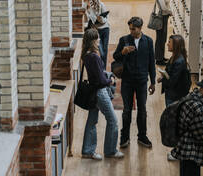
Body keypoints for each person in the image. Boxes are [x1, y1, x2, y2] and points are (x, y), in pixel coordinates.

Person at [113, 17, 156, 149]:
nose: (131, 31)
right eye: (130, 28)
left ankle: (142, 136)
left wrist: (153, 81)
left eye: (134, 29)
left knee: (142, 109)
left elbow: (151, 62)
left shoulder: (148, 41)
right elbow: (115, 57)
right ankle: (124, 137)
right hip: (127, 81)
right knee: (126, 110)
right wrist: (122, 52)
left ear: (140, 28)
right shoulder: (124, 40)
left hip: (142, 81)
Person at [81, 28, 124, 160]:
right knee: (113, 120)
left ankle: (88, 151)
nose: (99, 40)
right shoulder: (94, 56)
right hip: (99, 92)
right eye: (97, 38)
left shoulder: (87, 54)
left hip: (93, 91)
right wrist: (110, 81)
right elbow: (100, 79)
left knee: (92, 121)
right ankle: (110, 150)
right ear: (93, 41)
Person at [157, 34, 191, 161]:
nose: (167, 44)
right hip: (172, 94)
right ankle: (178, 150)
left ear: (175, 45)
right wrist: (163, 77)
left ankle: (178, 152)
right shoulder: (174, 58)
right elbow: (170, 75)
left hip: (175, 95)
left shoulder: (179, 61)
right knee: (174, 122)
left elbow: (172, 81)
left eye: (169, 42)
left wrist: (165, 79)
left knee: (175, 123)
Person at [155, 0, 181, 65]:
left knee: (163, 38)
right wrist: (170, 12)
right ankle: (158, 59)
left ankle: (161, 57)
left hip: (165, 17)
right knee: (160, 38)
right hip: (160, 18)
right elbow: (163, 7)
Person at [86, 0, 110, 68]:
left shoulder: (102, 5)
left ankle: (104, 69)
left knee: (105, 50)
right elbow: (90, 19)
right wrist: (89, 9)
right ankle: (101, 67)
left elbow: (106, 17)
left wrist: (101, 19)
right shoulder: (90, 7)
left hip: (105, 28)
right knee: (101, 50)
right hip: (97, 30)